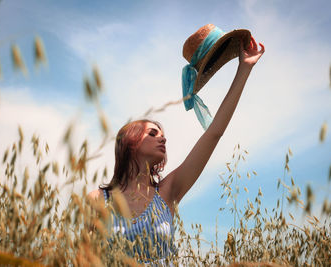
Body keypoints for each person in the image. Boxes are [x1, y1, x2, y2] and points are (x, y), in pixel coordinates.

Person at [88, 25, 265, 265]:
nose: (163, 138)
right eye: (152, 133)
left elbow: (214, 133)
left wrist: (244, 69)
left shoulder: (168, 192)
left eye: (162, 134)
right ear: (129, 141)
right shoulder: (98, 199)